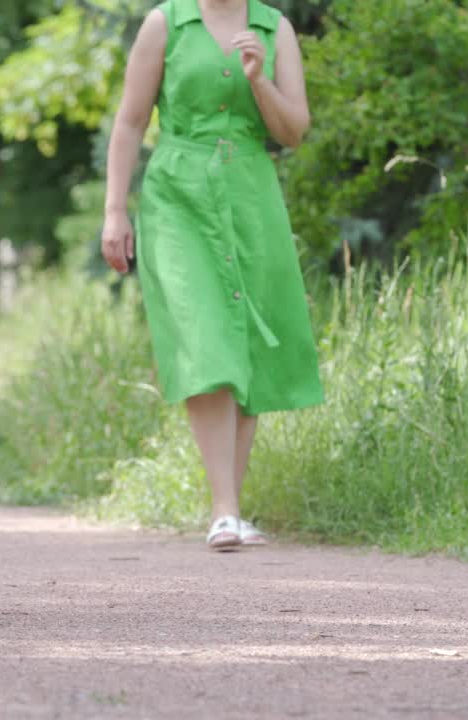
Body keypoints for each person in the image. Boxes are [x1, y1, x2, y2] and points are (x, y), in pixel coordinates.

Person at [100, 0, 324, 550]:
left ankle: (231, 510)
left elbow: (294, 131)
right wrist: (114, 211)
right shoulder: (166, 23)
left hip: (251, 195)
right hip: (178, 197)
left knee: (246, 342)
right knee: (205, 340)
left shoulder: (275, 29)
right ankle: (224, 509)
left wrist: (260, 81)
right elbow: (130, 121)